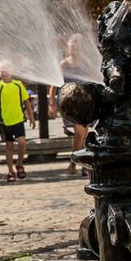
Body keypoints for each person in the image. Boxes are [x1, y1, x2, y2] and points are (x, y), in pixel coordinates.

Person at [48, 34, 91, 175]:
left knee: (82, 135)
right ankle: (80, 163)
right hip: (69, 104)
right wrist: (52, 104)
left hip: (84, 103)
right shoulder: (64, 64)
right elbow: (54, 85)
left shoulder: (87, 63)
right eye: (72, 46)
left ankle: (76, 163)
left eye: (77, 46)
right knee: (79, 132)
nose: (74, 49)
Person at [0, 61, 35, 182]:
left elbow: (26, 102)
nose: (4, 72)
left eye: (7, 69)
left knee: (22, 143)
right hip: (4, 122)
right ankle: (10, 171)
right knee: (9, 146)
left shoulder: (18, 85)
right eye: (1, 70)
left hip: (18, 119)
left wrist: (31, 117)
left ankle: (19, 164)